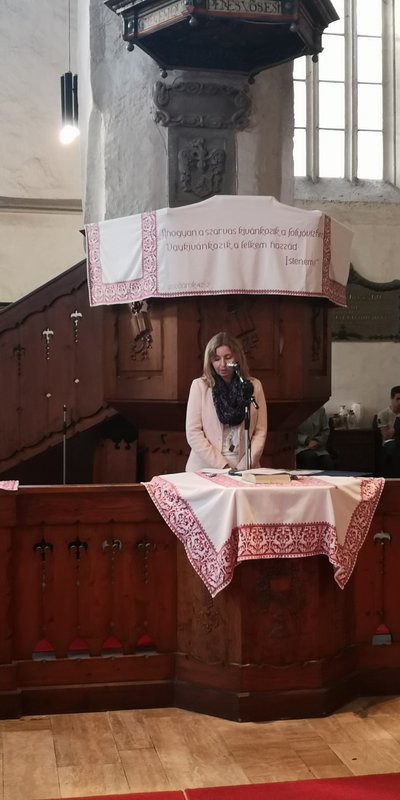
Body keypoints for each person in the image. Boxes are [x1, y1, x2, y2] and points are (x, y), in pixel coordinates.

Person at [185, 331, 268, 471]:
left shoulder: (253, 386)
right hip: (207, 467)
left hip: (244, 466)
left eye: (228, 357)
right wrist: (223, 466)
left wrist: (243, 466)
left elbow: (260, 431)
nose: (222, 364)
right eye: (216, 359)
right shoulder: (199, 386)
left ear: (237, 358)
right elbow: (193, 433)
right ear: (210, 361)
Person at [377, 386, 400, 477]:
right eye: (398, 399)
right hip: (390, 442)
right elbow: (386, 436)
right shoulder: (383, 414)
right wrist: (397, 426)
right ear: (391, 399)